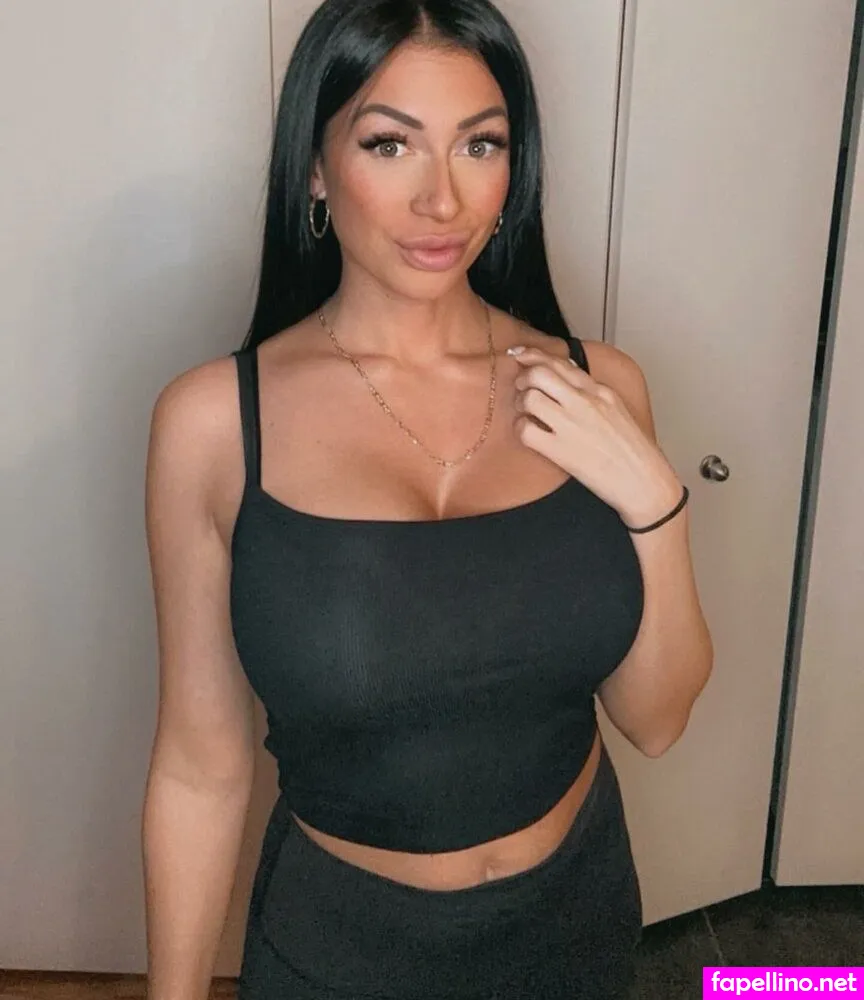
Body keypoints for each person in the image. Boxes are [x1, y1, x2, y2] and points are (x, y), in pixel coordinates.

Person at [141, 0, 713, 997]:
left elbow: (655, 720)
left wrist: (657, 507)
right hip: (339, 954)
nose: (442, 199)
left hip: (574, 929)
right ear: (315, 168)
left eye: (479, 144)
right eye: (389, 143)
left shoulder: (598, 388)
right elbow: (200, 767)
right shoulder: (215, 424)